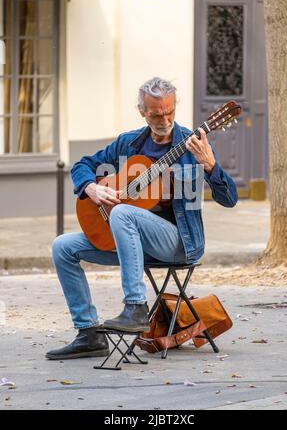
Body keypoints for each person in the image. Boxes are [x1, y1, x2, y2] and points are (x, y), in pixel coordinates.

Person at [46, 77, 238, 360]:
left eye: (169, 111)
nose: (165, 119)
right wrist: (92, 188)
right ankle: (88, 334)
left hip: (177, 243)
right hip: (130, 244)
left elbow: (230, 199)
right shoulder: (128, 144)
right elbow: (82, 165)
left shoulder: (191, 146)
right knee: (62, 246)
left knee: (123, 212)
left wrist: (210, 166)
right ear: (142, 111)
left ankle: (135, 307)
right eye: (156, 113)